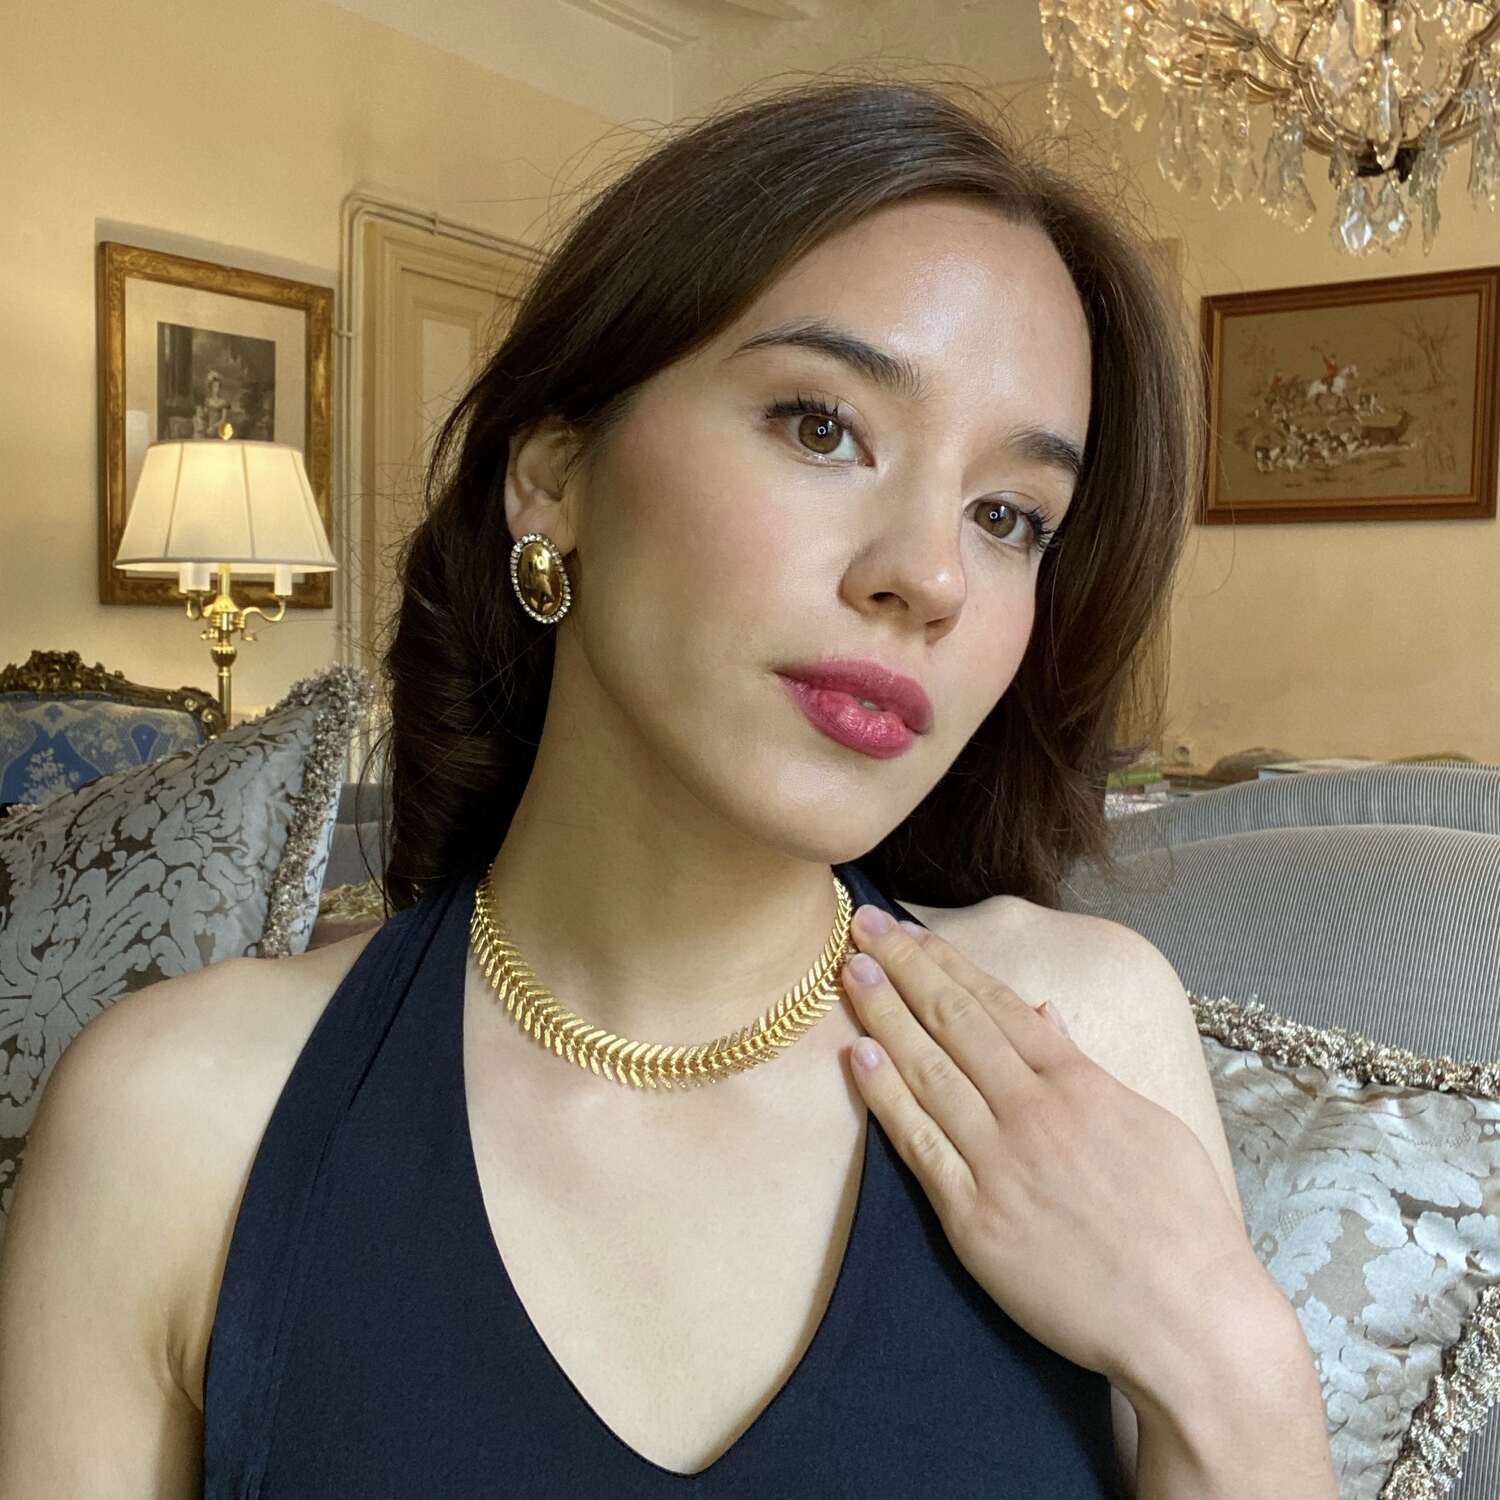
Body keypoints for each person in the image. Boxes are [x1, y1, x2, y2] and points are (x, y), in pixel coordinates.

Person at [0, 75, 1337, 1497]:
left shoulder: (1089, 1033)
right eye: (821, 426)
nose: (931, 575)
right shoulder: (179, 1123)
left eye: (1008, 515)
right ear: (554, 478)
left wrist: (1223, 1356)